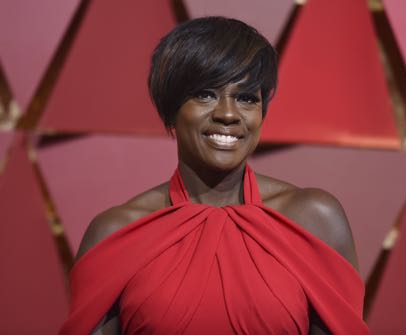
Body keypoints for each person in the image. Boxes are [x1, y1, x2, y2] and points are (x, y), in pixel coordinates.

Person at [59, 17, 369, 335]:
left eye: (247, 98)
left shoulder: (314, 220)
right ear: (171, 110)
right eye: (205, 94)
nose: (228, 114)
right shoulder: (117, 233)